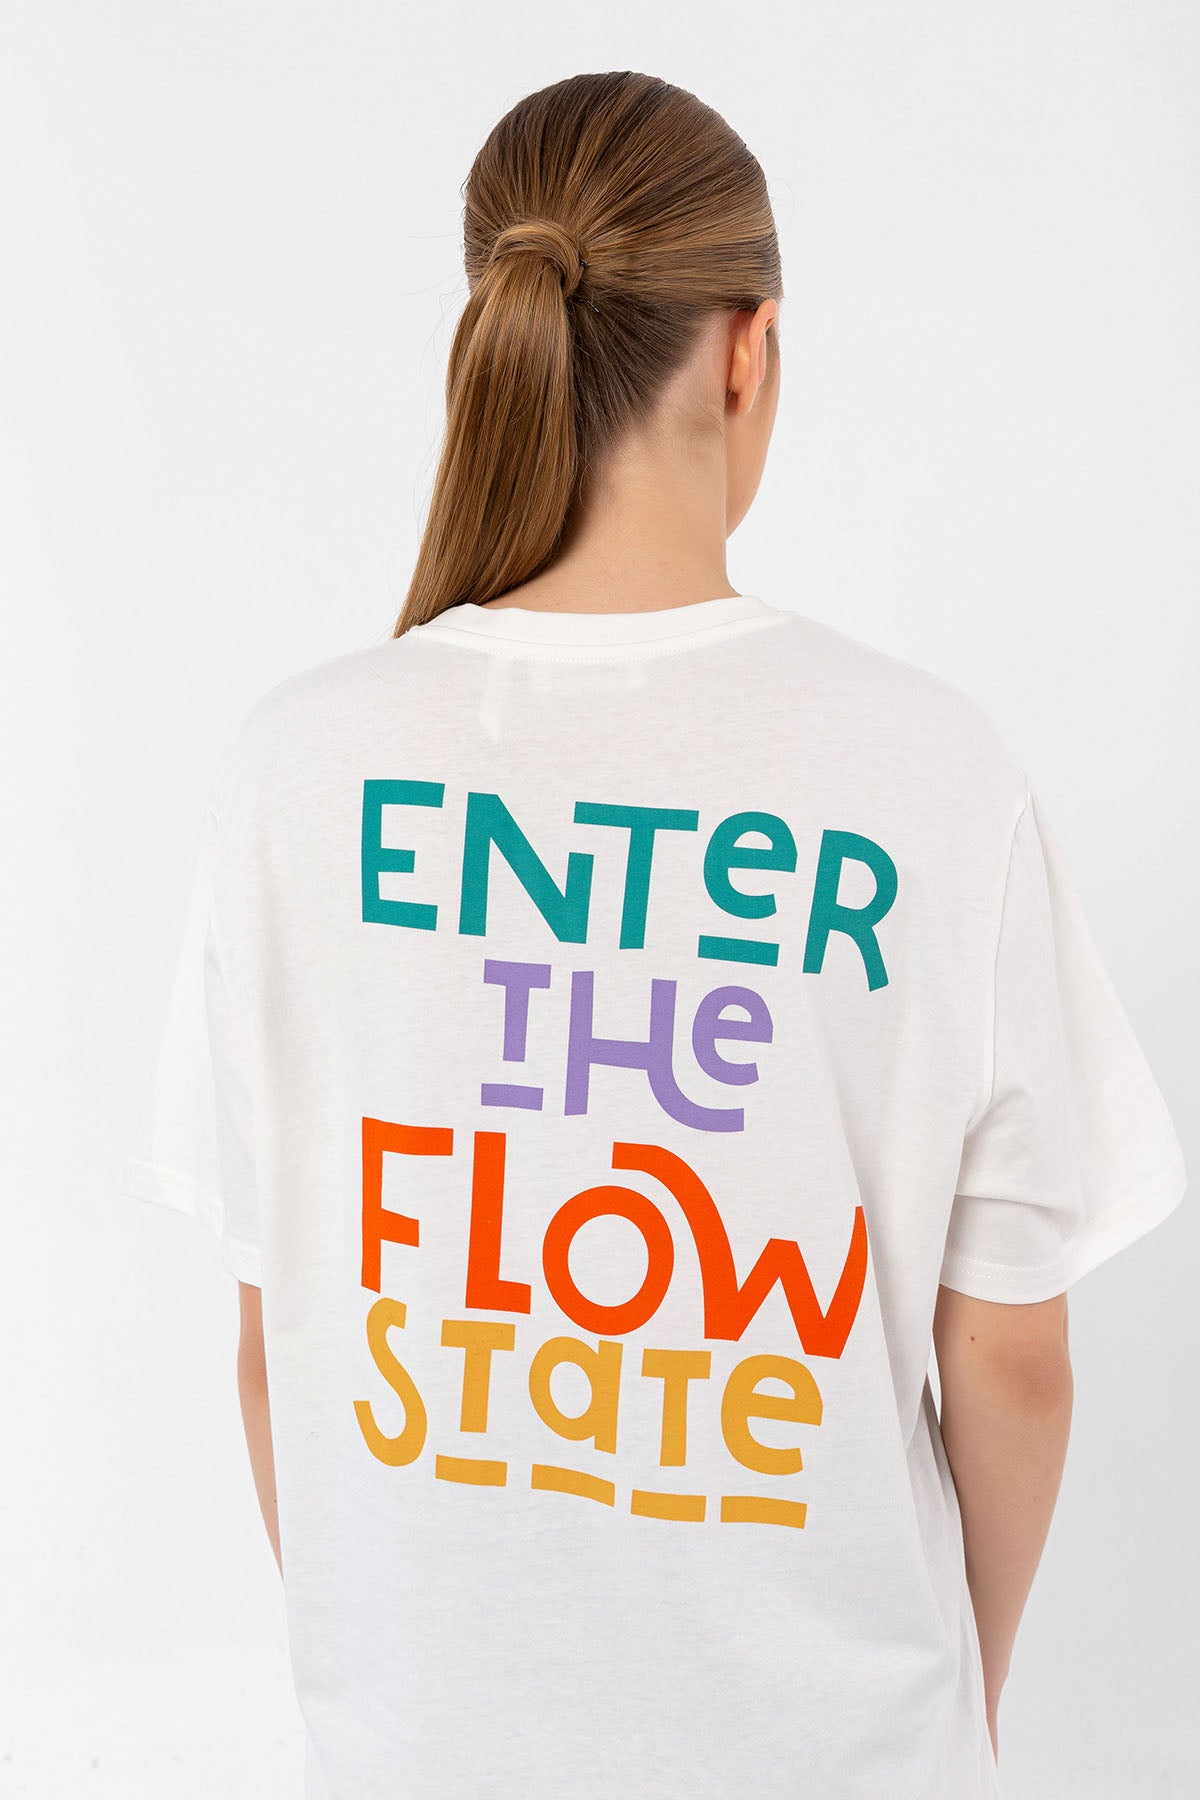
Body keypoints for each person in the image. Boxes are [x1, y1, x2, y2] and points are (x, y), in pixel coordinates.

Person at [123, 69, 1188, 1800]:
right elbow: (1012, 1359)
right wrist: (966, 1692)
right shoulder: (929, 770)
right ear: (748, 349)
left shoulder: (295, 767)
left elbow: (282, 1335)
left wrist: (406, 1696)